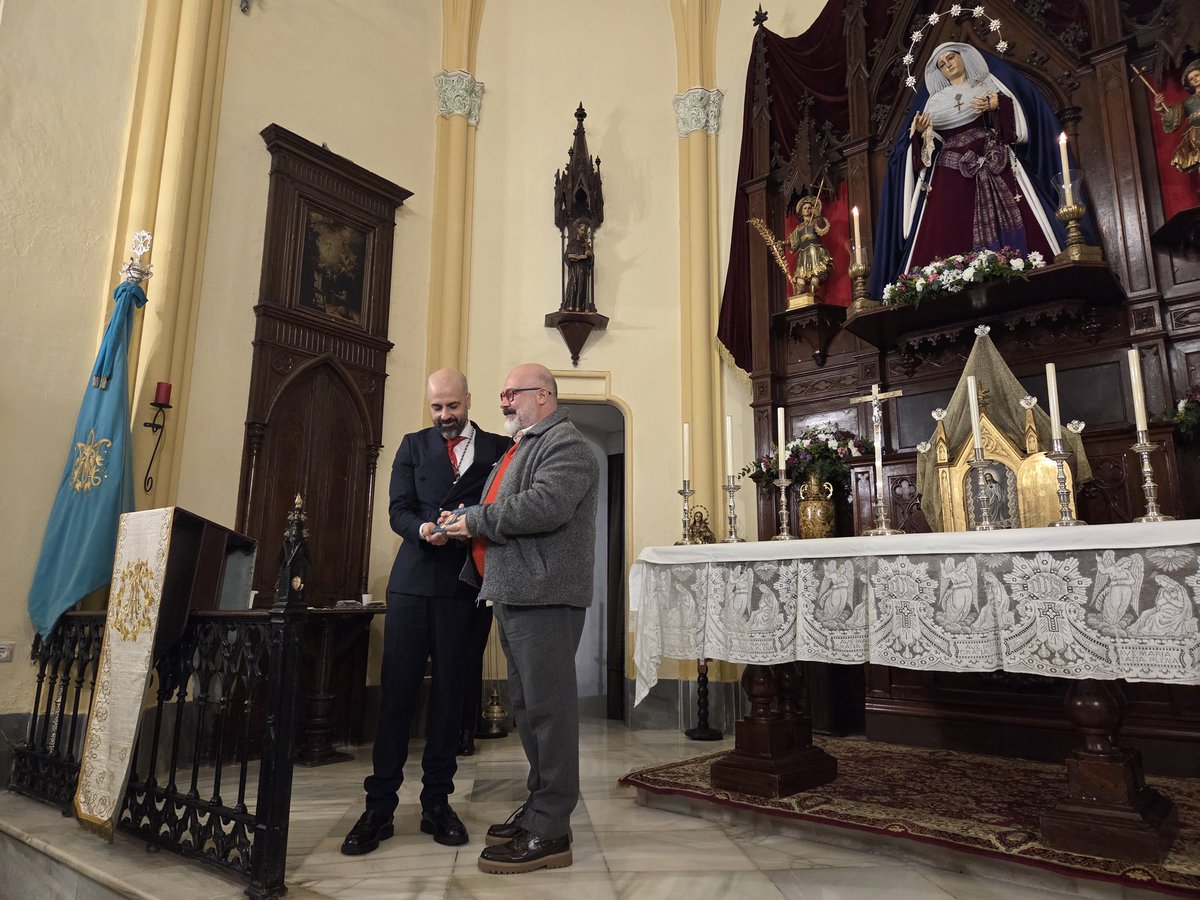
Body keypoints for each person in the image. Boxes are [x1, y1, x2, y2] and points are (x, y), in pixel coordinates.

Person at [340, 368, 509, 856]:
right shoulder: (413, 446)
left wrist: (467, 527)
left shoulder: (499, 447)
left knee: (451, 697)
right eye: (436, 407)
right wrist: (421, 530)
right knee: (397, 694)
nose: (444, 417)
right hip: (413, 584)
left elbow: (505, 503)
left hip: (465, 586)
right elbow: (397, 508)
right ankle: (380, 807)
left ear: (468, 401)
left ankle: (437, 803)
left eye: (452, 407)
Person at [439, 363, 599, 875]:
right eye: (502, 393)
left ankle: (551, 828)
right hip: (514, 591)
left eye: (513, 393)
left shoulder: (565, 443)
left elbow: (546, 506)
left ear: (545, 396)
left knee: (549, 711)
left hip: (545, 594)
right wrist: (463, 518)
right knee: (528, 709)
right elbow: (500, 503)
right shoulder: (521, 445)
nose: (503, 400)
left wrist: (476, 519)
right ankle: (540, 808)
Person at [870, 42, 1075, 296]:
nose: (948, 65)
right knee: (948, 224)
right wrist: (921, 133)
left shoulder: (986, 84)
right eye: (942, 64)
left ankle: (1023, 262)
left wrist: (996, 105)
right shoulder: (934, 102)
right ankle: (950, 278)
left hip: (992, 158)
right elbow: (924, 153)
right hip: (949, 170)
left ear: (963, 57)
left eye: (951, 58)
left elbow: (1015, 130)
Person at [1154, 60, 1200, 174]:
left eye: (1197, 75)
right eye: (1191, 79)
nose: (1194, 79)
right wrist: (1160, 106)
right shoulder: (1189, 102)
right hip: (1197, 133)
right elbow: (1173, 114)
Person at [786, 195, 832, 295]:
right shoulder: (799, 227)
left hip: (814, 250)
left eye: (810, 208)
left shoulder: (815, 221)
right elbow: (794, 242)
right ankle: (800, 291)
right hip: (803, 252)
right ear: (801, 212)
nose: (807, 210)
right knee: (801, 274)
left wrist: (818, 215)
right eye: (805, 208)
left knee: (815, 270)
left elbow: (822, 228)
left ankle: (814, 287)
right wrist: (784, 243)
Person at [561, 218, 594, 312]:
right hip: (574, 269)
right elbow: (566, 257)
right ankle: (570, 305)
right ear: (577, 230)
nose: (583, 232)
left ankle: (580, 307)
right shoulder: (572, 244)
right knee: (573, 287)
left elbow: (591, 261)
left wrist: (590, 255)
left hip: (582, 270)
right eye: (582, 230)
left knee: (581, 289)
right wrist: (570, 257)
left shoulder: (587, 245)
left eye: (585, 231)